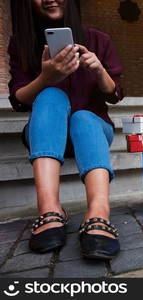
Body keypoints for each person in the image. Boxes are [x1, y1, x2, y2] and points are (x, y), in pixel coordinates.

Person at [8, 0, 124, 260]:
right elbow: (18, 99)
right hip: (46, 133)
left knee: (83, 117)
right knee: (50, 95)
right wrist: (46, 78)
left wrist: (99, 70)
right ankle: (49, 208)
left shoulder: (98, 39)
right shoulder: (22, 42)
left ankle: (98, 210)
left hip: (92, 131)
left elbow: (115, 94)